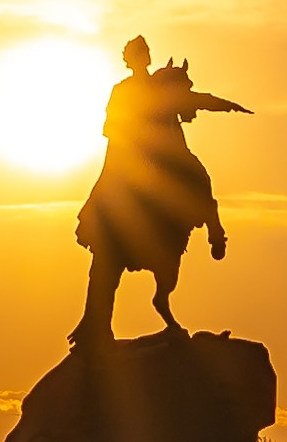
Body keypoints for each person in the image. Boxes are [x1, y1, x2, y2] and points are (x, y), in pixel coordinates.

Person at [72, 36, 253, 344]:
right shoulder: (123, 91)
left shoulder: (159, 87)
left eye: (145, 54)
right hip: (131, 167)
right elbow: (111, 127)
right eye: (137, 55)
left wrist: (225, 106)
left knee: (198, 174)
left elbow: (193, 99)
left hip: (164, 157)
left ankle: (215, 231)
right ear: (130, 60)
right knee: (104, 262)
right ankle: (96, 328)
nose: (142, 59)